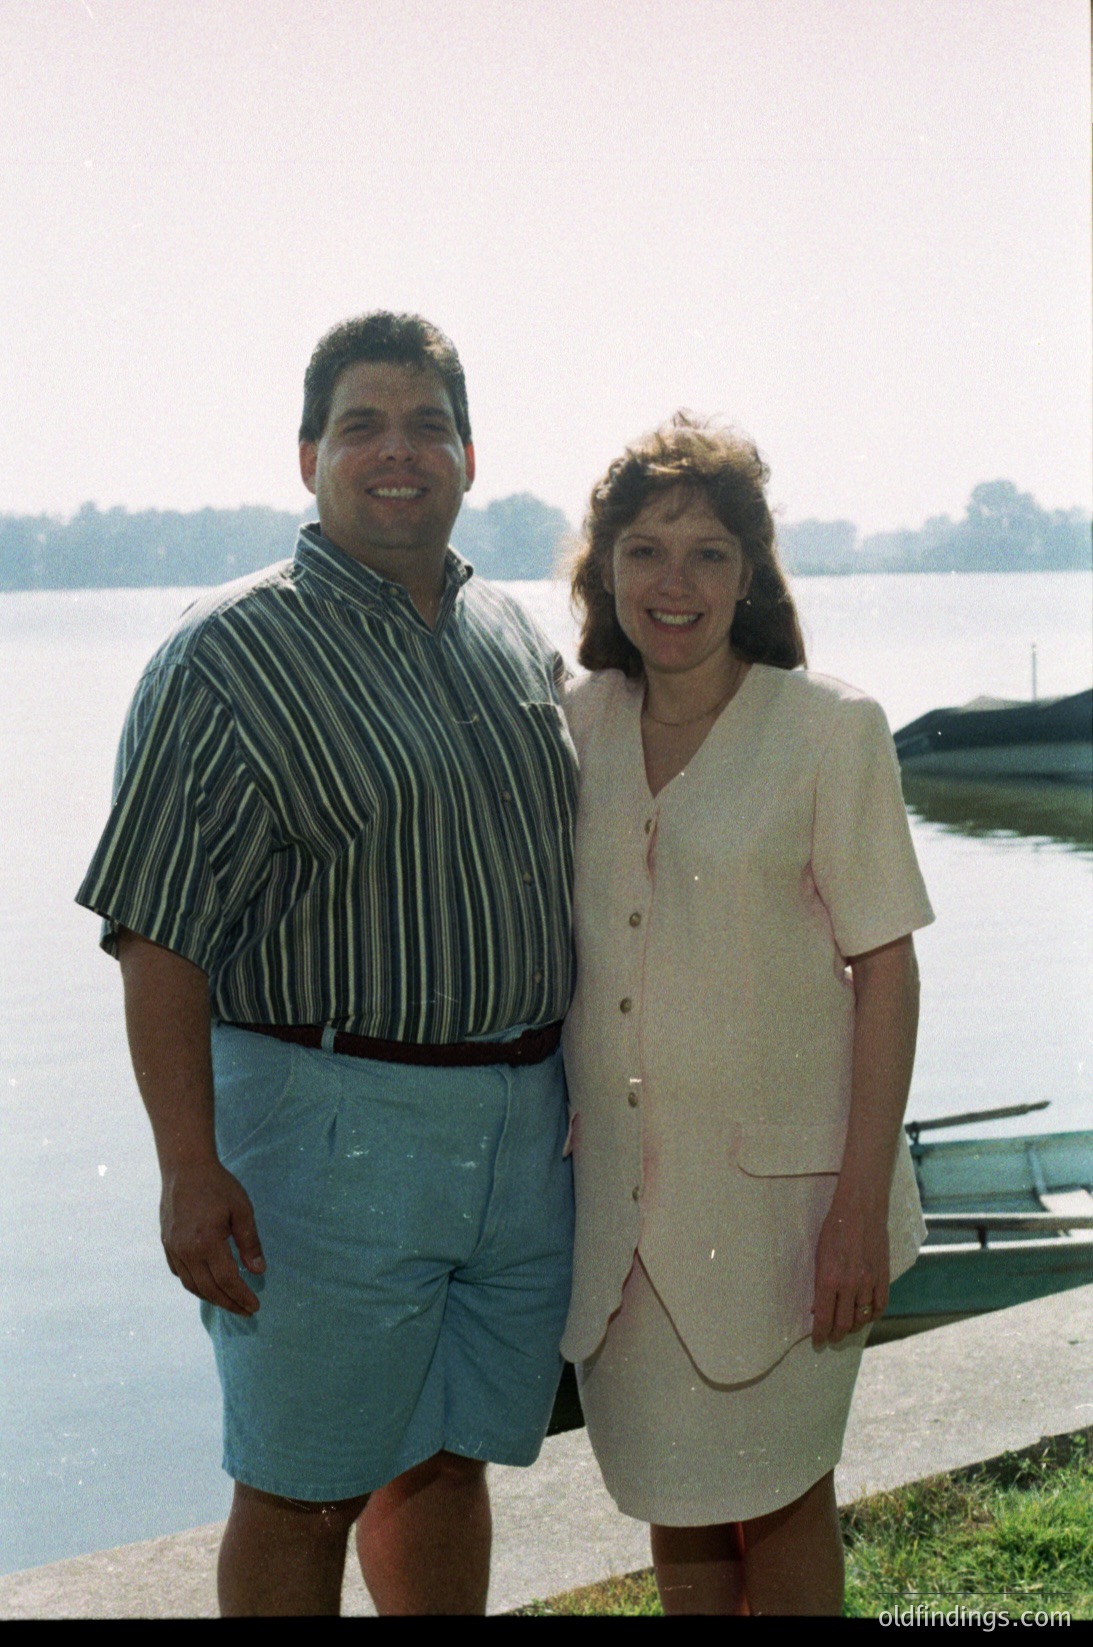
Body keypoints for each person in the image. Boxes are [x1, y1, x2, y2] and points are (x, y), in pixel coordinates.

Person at [75, 312, 577, 1617]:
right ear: (308, 452)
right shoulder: (227, 654)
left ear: (471, 451)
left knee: (450, 1456)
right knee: (299, 1486)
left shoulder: (515, 636)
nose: (396, 451)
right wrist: (190, 1165)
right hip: (327, 1136)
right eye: (362, 423)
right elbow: (156, 933)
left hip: (520, 1136)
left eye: (425, 422)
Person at [560, 413, 935, 1616]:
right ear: (602, 569)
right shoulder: (569, 730)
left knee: (779, 1499)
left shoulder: (830, 730)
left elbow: (886, 974)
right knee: (677, 1508)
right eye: (645, 550)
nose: (675, 583)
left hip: (788, 1213)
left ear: (751, 574)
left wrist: (857, 1213)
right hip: (619, 1221)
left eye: (709, 552)